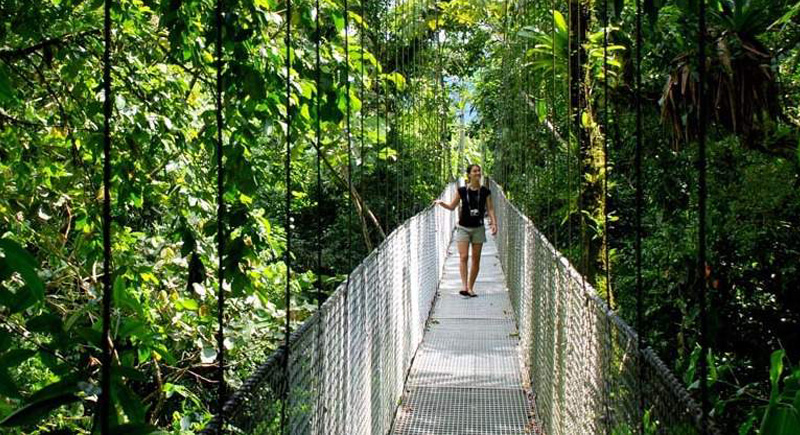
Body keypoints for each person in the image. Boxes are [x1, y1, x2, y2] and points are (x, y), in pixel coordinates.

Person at [434, 164, 497, 297]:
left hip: (478, 228)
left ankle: (470, 287)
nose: (478, 173)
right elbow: (452, 206)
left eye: (479, 171)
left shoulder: (485, 191)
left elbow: (490, 209)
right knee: (463, 257)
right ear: (469, 175)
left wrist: (494, 223)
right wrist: (441, 203)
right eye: (475, 171)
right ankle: (464, 286)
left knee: (476, 259)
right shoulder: (462, 191)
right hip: (463, 228)